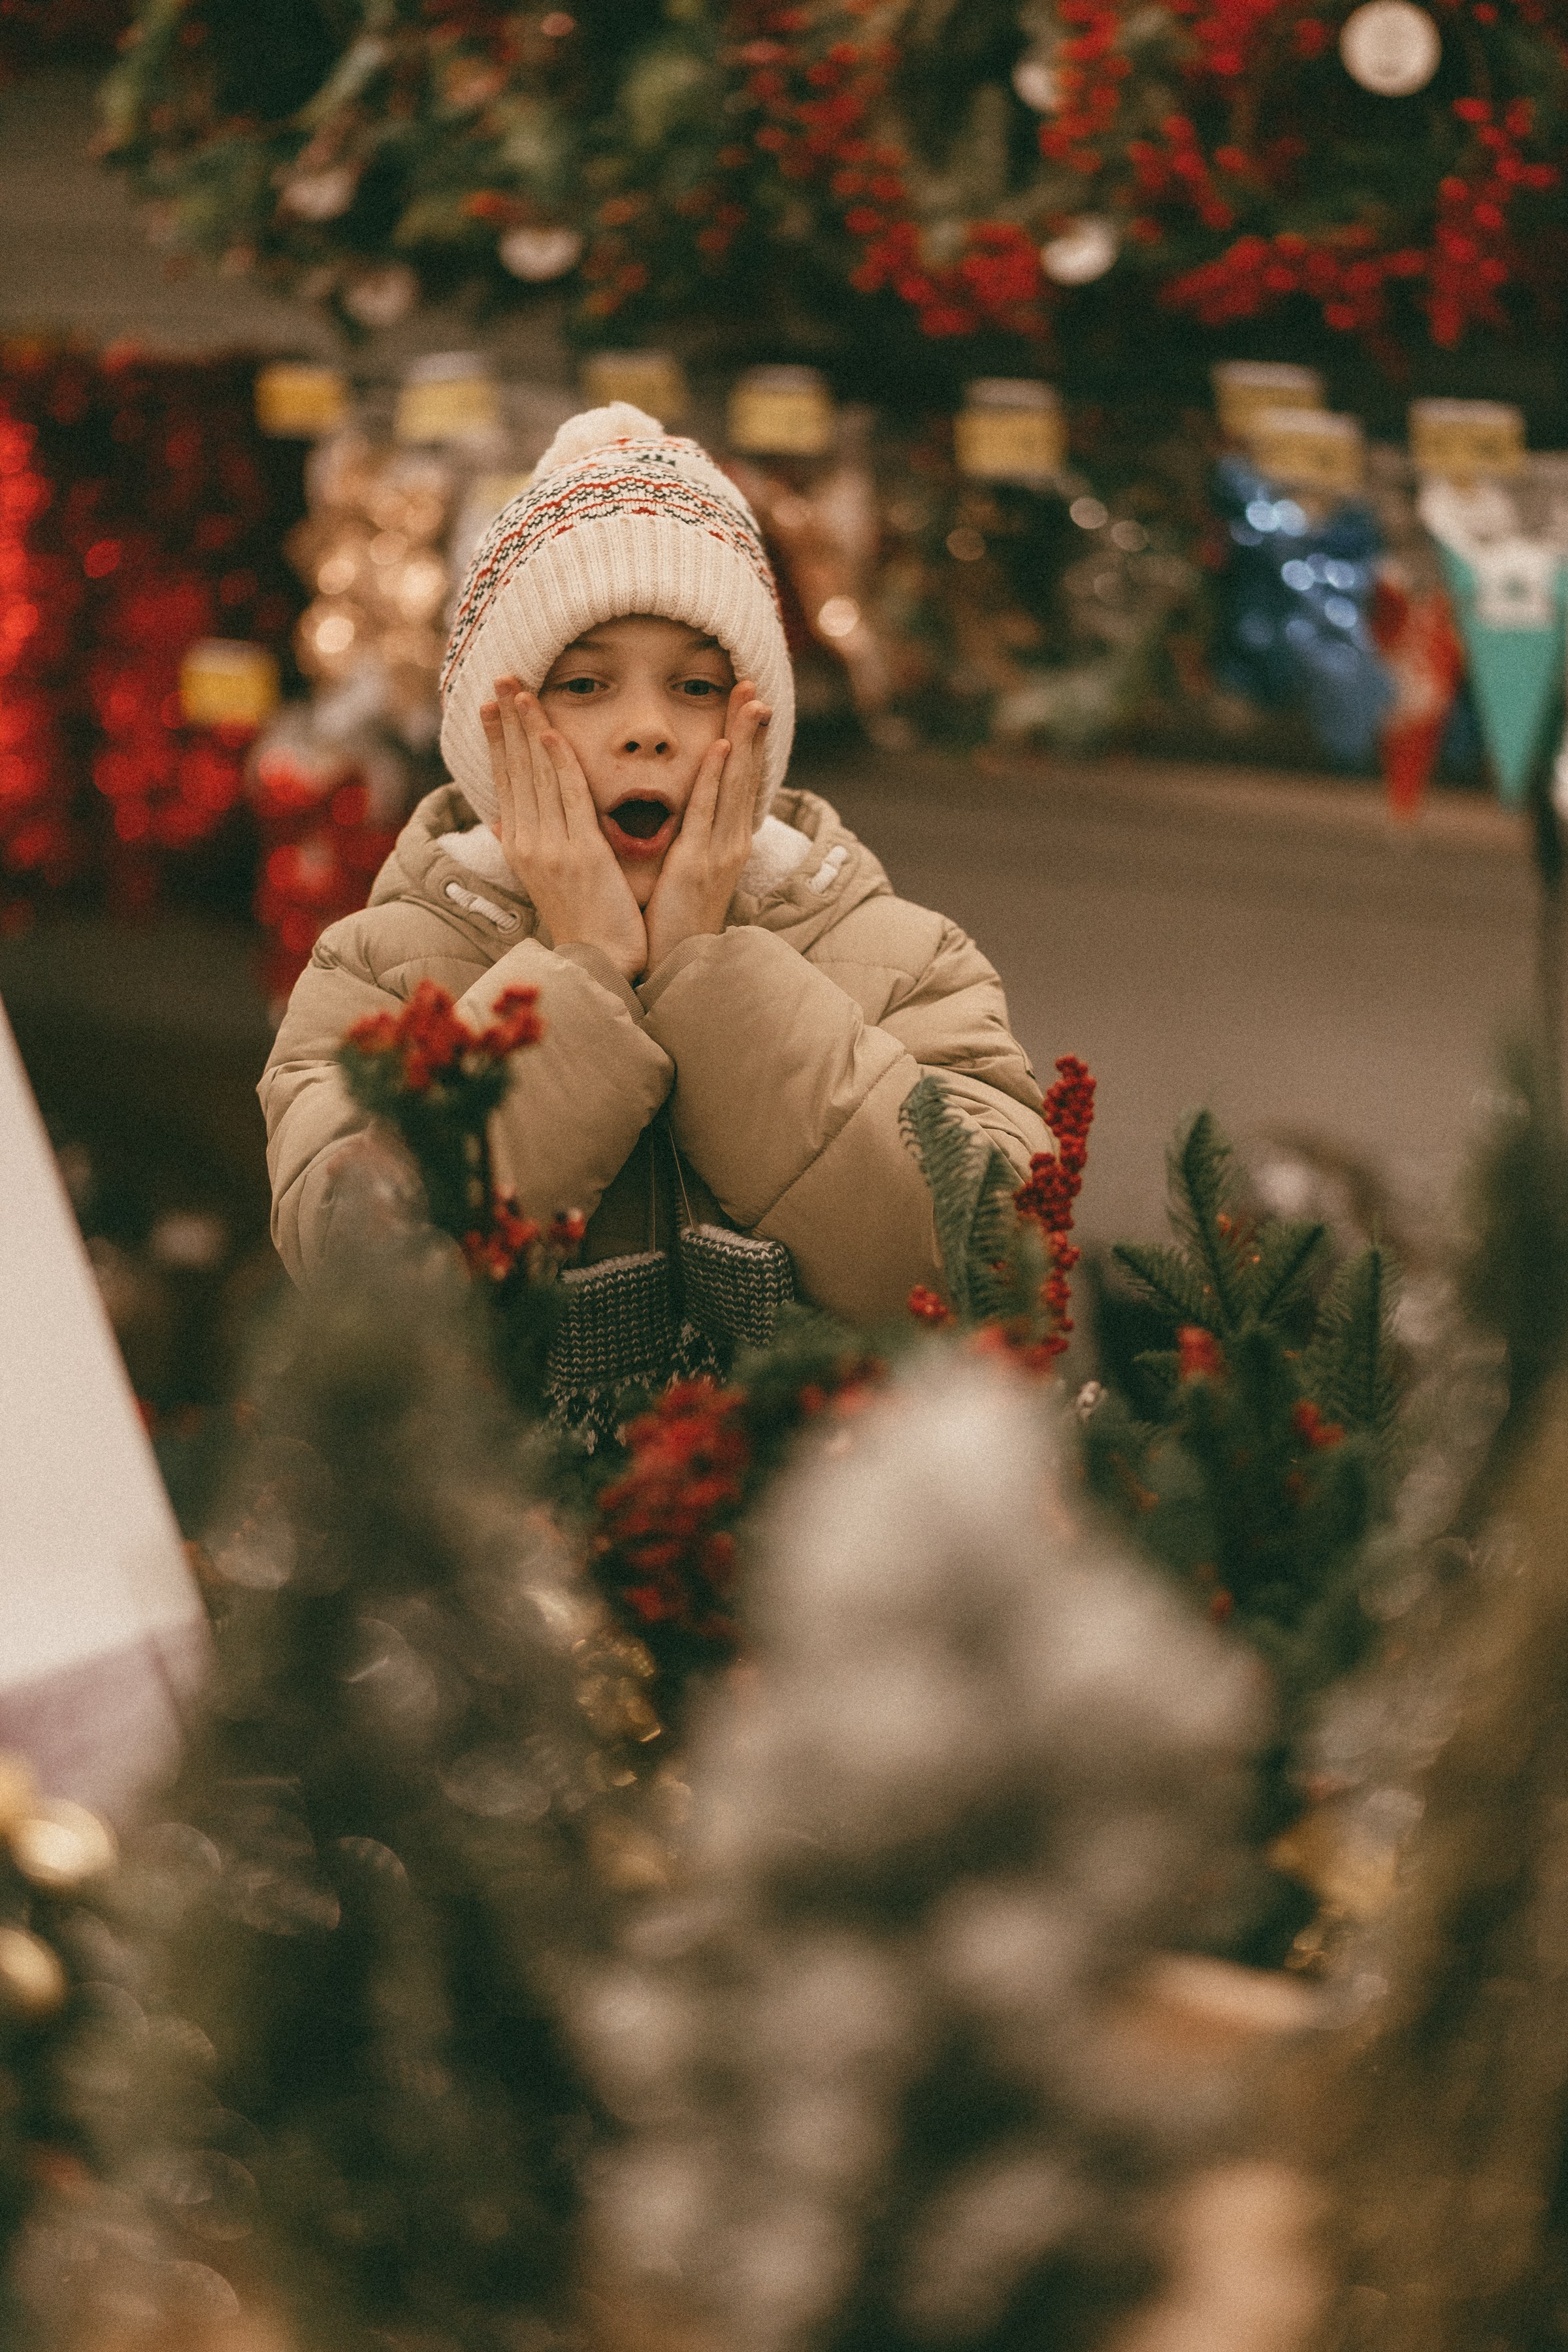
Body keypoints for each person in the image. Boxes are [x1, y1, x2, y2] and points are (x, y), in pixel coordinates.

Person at [259, 402, 1050, 1405]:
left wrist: (706, 976)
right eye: (585, 685)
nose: (647, 729)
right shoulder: (381, 967)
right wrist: (581, 967)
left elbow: (992, 1267)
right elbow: (359, 1273)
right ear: (494, 732)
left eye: (697, 687)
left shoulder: (908, 962)